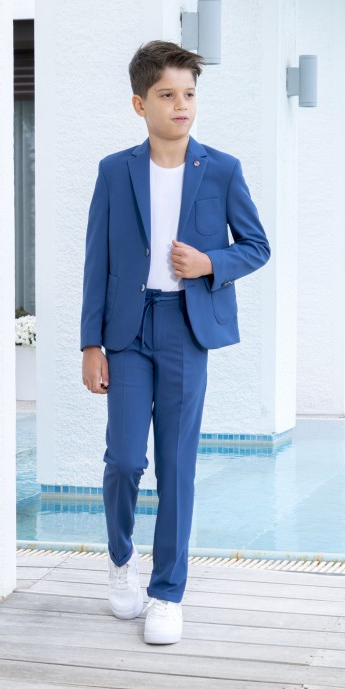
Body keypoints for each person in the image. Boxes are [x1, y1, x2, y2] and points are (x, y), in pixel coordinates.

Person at [80, 40, 271, 645]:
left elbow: (257, 246)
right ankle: (121, 560)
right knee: (125, 459)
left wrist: (209, 262)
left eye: (189, 93)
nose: (181, 104)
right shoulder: (115, 171)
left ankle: (167, 593)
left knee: (177, 465)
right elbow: (96, 261)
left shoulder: (222, 169)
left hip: (187, 329)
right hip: (127, 331)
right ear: (140, 104)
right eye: (167, 94)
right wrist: (90, 343)